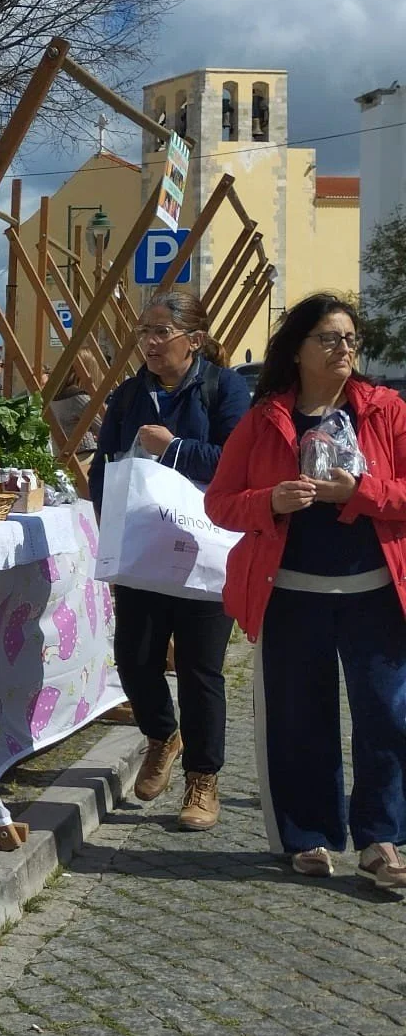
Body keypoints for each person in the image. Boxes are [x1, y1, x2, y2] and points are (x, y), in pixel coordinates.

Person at [207, 295, 406, 888]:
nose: (343, 348)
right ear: (297, 349)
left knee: (388, 718)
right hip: (291, 594)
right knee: (298, 720)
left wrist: (361, 494)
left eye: (349, 338)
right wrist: (268, 501)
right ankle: (310, 836)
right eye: (328, 337)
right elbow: (219, 503)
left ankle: (383, 839)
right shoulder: (264, 418)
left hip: (375, 593)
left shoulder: (388, 411)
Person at [89, 291, 248, 831]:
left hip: (205, 548)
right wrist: (108, 523)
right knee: (134, 657)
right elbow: (105, 465)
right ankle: (162, 734)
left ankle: (203, 780)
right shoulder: (129, 395)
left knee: (201, 670)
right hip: (143, 551)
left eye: (161, 333)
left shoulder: (225, 388)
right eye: (144, 332)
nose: (150, 344)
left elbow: (237, 463)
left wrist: (173, 447)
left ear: (194, 340)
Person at [49, 365, 100, 455]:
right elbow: (102, 426)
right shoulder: (78, 397)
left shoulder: (53, 396)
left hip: (61, 454)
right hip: (84, 454)